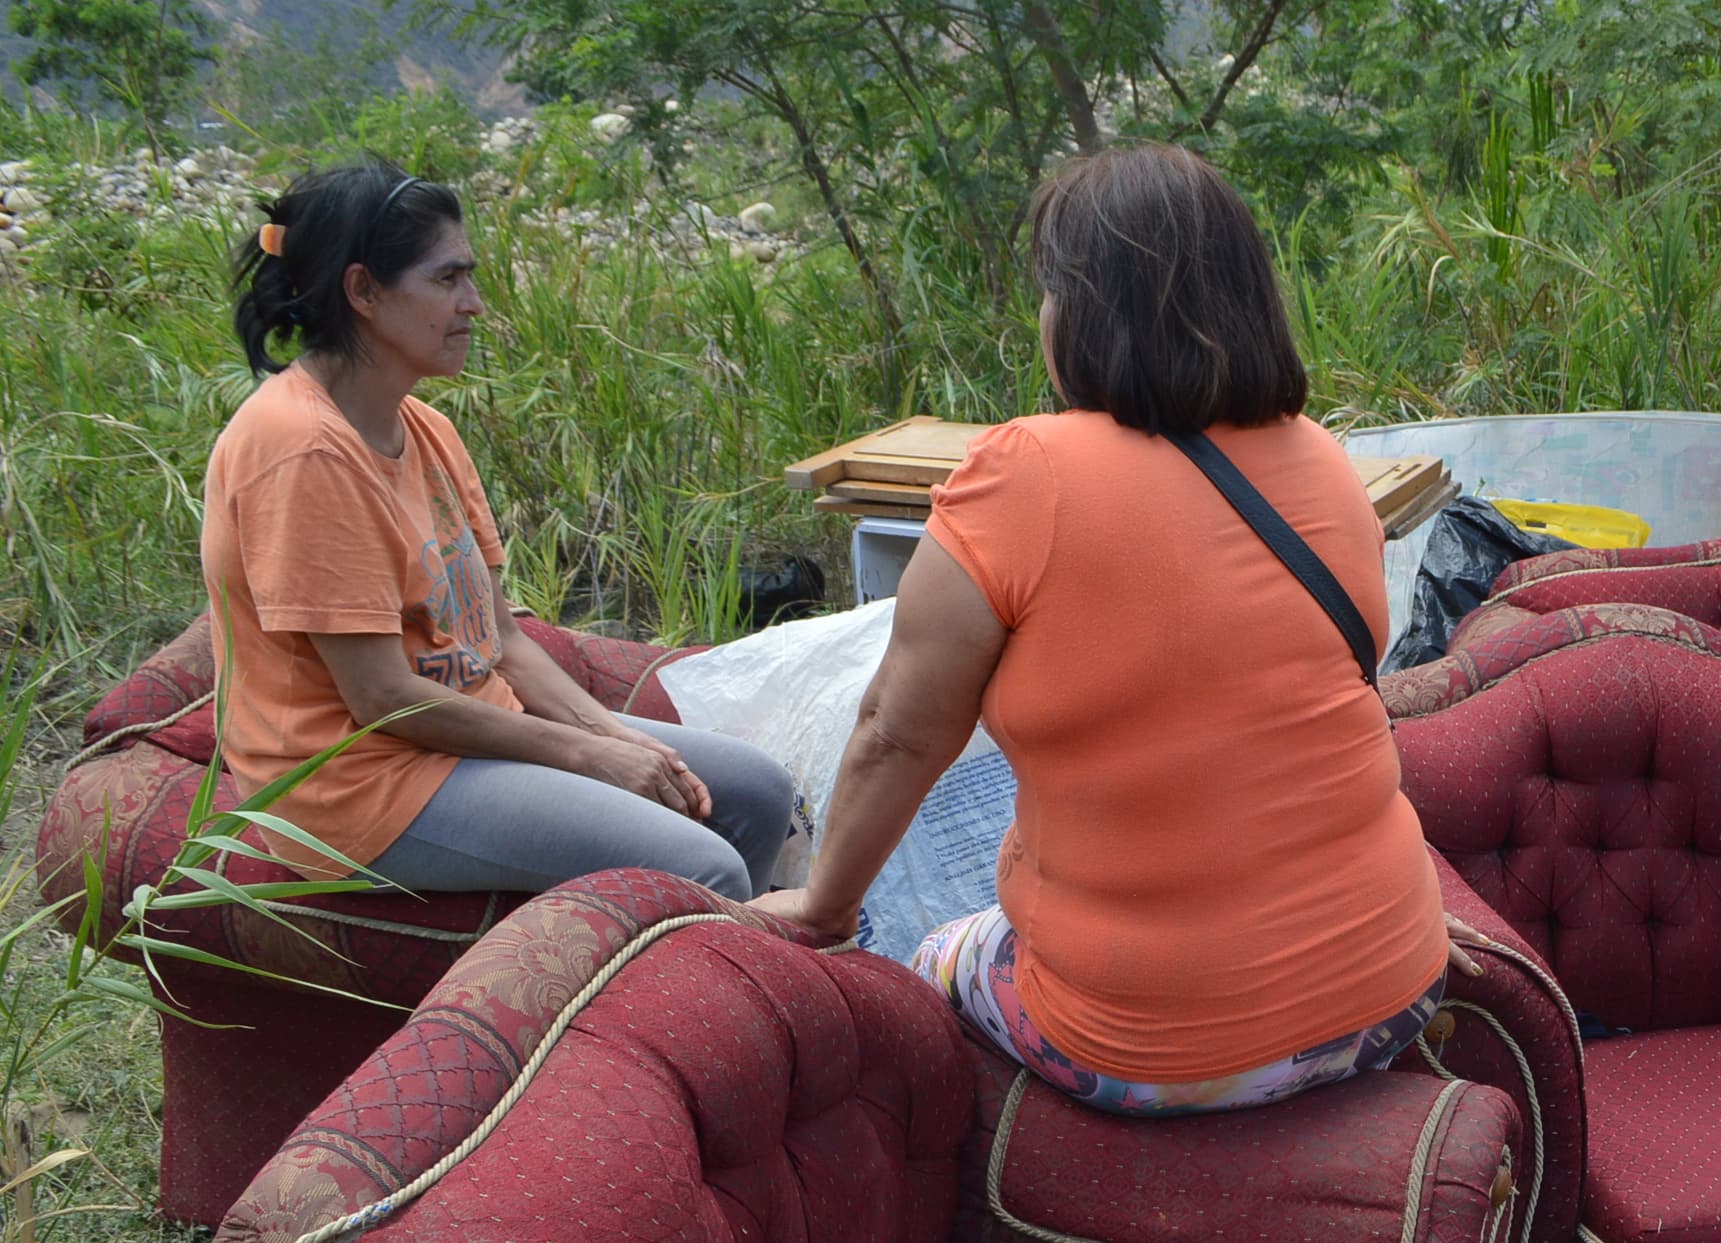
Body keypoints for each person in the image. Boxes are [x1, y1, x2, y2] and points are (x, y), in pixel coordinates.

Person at [753, 145, 1446, 1116]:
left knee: (930, 951)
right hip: (1394, 978)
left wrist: (822, 906)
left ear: (1082, 311)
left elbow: (898, 733)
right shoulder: (1328, 464)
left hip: (1156, 1037)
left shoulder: (1022, 475)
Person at [207, 158, 793, 900]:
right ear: (362, 290)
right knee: (705, 865)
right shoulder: (302, 448)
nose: (475, 304)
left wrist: (616, 738)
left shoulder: (424, 427)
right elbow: (381, 698)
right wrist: (586, 756)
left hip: (456, 733)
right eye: (447, 280)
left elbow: (501, 642)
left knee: (757, 789)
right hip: (356, 783)